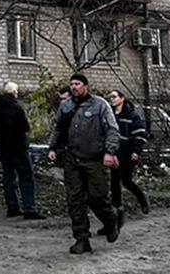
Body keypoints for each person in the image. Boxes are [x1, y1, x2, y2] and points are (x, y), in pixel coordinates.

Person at [47, 73, 121, 254]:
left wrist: (109, 152)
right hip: (72, 158)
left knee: (98, 198)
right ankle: (81, 239)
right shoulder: (66, 106)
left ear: (85, 86)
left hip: (95, 159)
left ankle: (111, 221)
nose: (73, 87)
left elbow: (112, 129)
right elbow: (58, 128)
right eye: (71, 84)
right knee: (75, 200)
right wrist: (52, 148)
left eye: (77, 83)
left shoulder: (100, 105)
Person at [0, 81, 44, 220]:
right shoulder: (17, 109)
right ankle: (30, 208)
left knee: (8, 179)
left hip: (4, 148)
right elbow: (25, 127)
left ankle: (12, 207)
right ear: (14, 92)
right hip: (19, 148)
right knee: (26, 177)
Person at [106, 90, 150, 216]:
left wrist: (136, 151)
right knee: (114, 180)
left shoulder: (132, 116)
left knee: (126, 181)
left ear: (122, 98)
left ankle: (142, 198)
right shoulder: (110, 115)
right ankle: (117, 208)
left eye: (114, 97)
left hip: (128, 152)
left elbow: (139, 134)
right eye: (110, 98)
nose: (112, 100)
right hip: (115, 152)